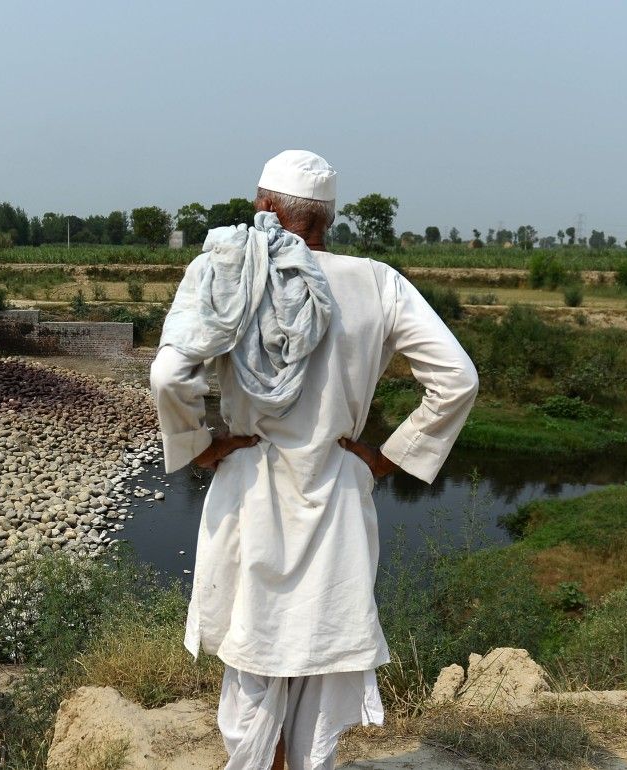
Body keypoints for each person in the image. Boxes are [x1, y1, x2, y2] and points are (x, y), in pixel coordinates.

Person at [150, 150, 480, 770]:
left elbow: (170, 375)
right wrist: (387, 457)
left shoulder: (227, 271)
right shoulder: (376, 281)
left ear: (269, 208)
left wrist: (200, 445)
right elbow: (458, 379)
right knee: (319, 669)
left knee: (252, 665)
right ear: (325, 218)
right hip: (336, 490)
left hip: (252, 482)